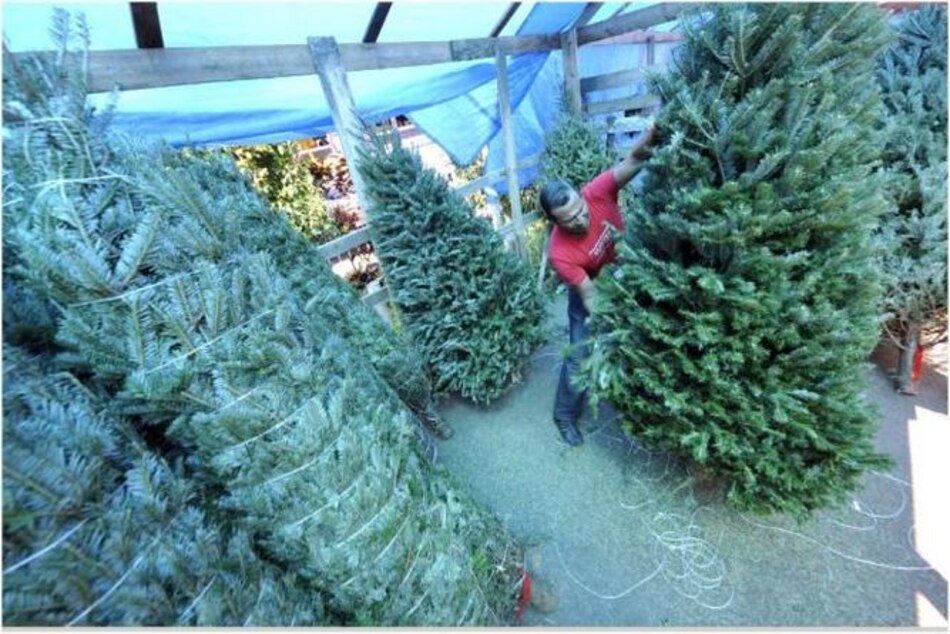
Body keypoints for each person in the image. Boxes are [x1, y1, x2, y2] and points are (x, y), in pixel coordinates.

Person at [538, 125, 656, 446]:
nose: (580, 219)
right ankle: (564, 416)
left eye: (580, 209)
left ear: (580, 195)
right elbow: (592, 299)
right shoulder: (560, 253)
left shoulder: (598, 192)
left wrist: (658, 131)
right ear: (555, 222)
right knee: (580, 353)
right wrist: (617, 323)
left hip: (627, 269)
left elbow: (635, 158)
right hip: (590, 289)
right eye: (569, 219)